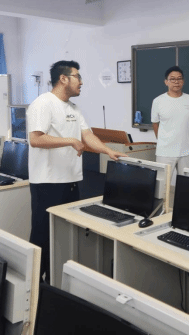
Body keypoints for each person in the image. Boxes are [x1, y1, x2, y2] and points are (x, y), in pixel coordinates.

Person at [27, 60, 126, 282]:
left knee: (64, 237)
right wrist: (70, 140)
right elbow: (36, 139)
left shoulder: (73, 108)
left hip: (71, 181)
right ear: (63, 79)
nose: (81, 82)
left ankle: (55, 283)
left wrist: (108, 151)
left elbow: (87, 135)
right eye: (78, 77)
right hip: (47, 183)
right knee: (42, 237)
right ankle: (32, 286)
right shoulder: (43, 103)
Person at [151, 66, 189, 180]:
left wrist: (181, 132)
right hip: (165, 152)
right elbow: (155, 124)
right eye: (172, 79)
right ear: (166, 82)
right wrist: (164, 140)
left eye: (179, 78)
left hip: (185, 151)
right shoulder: (158, 101)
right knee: (162, 185)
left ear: (183, 81)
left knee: (186, 184)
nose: (176, 82)